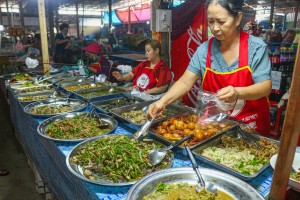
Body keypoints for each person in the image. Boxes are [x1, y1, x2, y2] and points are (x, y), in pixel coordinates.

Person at [148, 0, 272, 137]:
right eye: (211, 21)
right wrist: (161, 102)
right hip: (215, 127)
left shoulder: (256, 47)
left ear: (238, 19)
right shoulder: (204, 49)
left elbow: (265, 87)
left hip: (251, 128)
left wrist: (237, 92)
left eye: (221, 22)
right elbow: (185, 82)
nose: (215, 28)